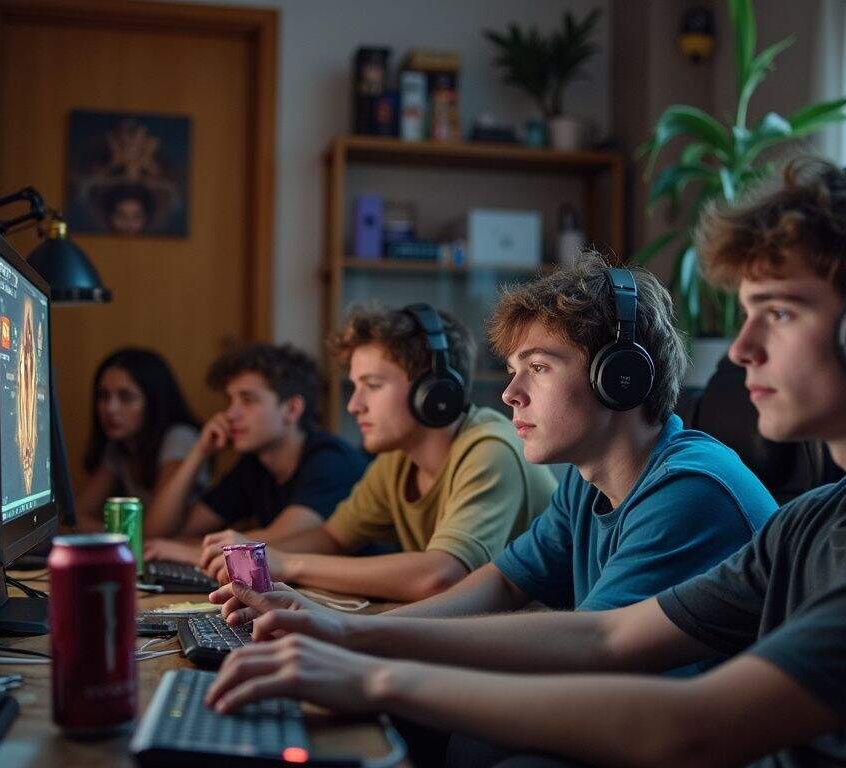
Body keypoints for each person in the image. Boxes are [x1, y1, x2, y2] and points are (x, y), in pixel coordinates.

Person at [199, 159, 846, 767]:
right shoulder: (822, 518)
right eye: (747, 311)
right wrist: (347, 635)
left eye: (783, 311)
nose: (743, 349)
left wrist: (371, 676)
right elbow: (608, 637)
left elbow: (688, 728)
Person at [215, 256, 776, 627]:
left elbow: (592, 647)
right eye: (512, 369)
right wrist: (343, 627)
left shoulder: (688, 489)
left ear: (619, 376)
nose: (510, 393)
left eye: (538, 367)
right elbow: (504, 583)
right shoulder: (587, 485)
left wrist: (355, 642)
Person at [200, 304, 558, 604]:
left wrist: (288, 564)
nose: (354, 405)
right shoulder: (397, 460)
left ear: (435, 392)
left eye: (372, 386)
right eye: (355, 387)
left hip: (542, 654)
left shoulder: (490, 449)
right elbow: (334, 538)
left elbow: (441, 575)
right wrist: (252, 550)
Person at [142, 343, 367, 564]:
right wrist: (198, 453)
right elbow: (162, 532)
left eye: (248, 400)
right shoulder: (255, 465)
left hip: (365, 598)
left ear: (292, 409)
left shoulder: (331, 461)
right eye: (230, 401)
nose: (230, 414)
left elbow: (272, 545)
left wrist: (183, 551)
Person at [78, 347, 207, 525]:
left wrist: (104, 535)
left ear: (153, 402)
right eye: (103, 396)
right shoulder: (118, 446)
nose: (110, 408)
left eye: (126, 397)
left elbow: (155, 529)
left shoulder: (179, 437)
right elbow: (77, 516)